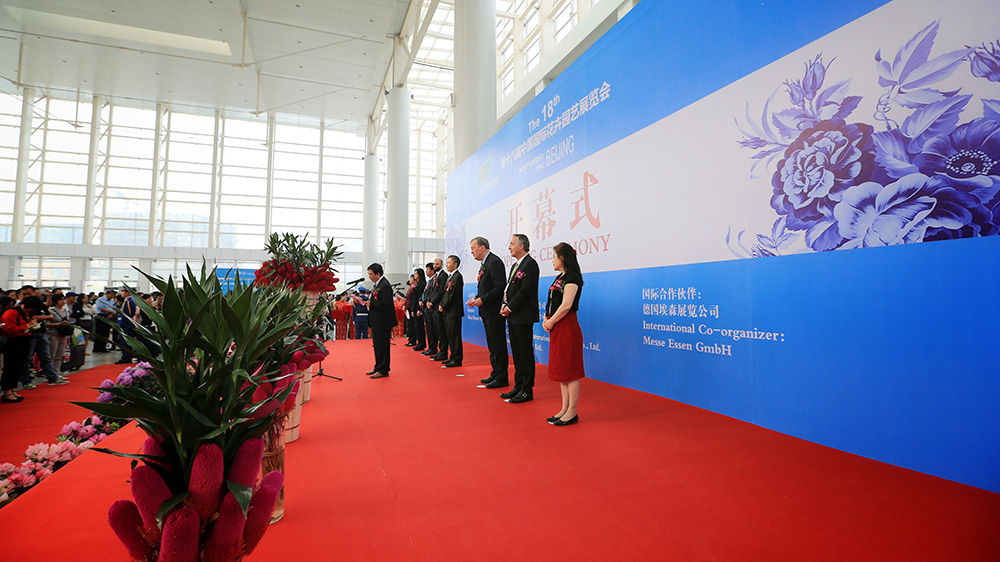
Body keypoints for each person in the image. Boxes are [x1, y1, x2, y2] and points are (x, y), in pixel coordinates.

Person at [542, 242, 586, 425]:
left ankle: (572, 412)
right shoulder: (560, 277)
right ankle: (564, 408)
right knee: (562, 370)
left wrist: (551, 321)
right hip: (557, 325)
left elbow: (567, 305)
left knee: (570, 371)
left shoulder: (572, 277)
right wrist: (546, 318)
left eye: (554, 256)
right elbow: (552, 301)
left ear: (562, 258)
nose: (552, 260)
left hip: (567, 326)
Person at [500, 234, 540, 404]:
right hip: (513, 315)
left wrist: (510, 307)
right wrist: (504, 304)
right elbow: (509, 288)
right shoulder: (515, 266)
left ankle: (527, 390)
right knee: (516, 353)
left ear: (521, 246)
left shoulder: (530, 264)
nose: (509, 247)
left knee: (525, 353)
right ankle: (518, 386)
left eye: (512, 244)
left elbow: (525, 290)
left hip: (523, 315)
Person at [467, 236, 508, 387]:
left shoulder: (494, 262)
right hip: (487, 310)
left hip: (494, 311)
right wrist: (476, 298)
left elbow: (499, 287)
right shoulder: (485, 263)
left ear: (482, 247)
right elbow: (486, 287)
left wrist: (482, 300)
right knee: (492, 344)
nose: (472, 252)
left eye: (473, 248)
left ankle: (502, 377)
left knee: (498, 344)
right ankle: (496, 372)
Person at [2, 297, 40, 403]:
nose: (31, 311)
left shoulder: (23, 313)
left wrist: (31, 326)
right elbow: (9, 328)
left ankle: (13, 389)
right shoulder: (11, 312)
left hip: (24, 340)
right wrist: (27, 326)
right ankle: (7, 392)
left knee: (19, 366)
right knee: (10, 367)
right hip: (13, 342)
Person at [362, 263, 396, 378]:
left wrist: (371, 304)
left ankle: (383, 369)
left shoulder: (384, 285)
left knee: (382, 346)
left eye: (371, 274)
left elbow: (386, 303)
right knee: (377, 345)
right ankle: (378, 366)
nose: (369, 276)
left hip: (383, 321)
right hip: (377, 320)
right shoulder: (378, 284)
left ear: (378, 274)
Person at [439, 255, 465, 368]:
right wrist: (442, 304)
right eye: (447, 262)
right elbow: (445, 293)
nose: (447, 264)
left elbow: (453, 295)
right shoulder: (450, 277)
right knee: (450, 335)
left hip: (454, 311)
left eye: (449, 262)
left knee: (455, 336)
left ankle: (457, 359)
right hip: (448, 311)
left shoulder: (457, 277)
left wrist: (444, 305)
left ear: (455, 264)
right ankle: (452, 356)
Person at [427, 258, 449, 362]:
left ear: (441, 264)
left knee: (441, 331)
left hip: (438, 306)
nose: (435, 266)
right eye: (434, 264)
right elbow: (432, 291)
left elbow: (441, 292)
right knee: (437, 330)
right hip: (433, 307)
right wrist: (428, 301)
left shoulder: (443, 275)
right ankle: (440, 351)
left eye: (437, 264)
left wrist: (432, 302)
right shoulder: (435, 276)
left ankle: (443, 352)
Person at [46, 293, 72, 373]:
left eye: (64, 299)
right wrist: (59, 324)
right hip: (53, 334)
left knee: (60, 356)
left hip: (63, 334)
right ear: (55, 301)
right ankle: (50, 373)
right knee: (51, 355)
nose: (63, 301)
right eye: (61, 300)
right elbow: (46, 324)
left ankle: (57, 372)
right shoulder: (50, 310)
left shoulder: (66, 310)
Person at [418, 263, 438, 356]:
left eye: (428, 269)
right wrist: (421, 301)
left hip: (430, 307)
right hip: (425, 307)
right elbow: (424, 294)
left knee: (432, 329)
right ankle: (430, 347)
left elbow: (432, 294)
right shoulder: (429, 281)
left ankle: (433, 348)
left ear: (432, 270)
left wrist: (427, 301)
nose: (426, 271)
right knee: (429, 329)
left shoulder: (434, 280)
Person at [408, 268, 426, 350]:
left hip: (418, 307)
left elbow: (420, 297)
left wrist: (419, 309)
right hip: (414, 307)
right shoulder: (417, 284)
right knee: (416, 326)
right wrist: (412, 309)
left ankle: (421, 343)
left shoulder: (422, 284)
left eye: (416, 273)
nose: (415, 275)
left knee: (419, 326)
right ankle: (419, 343)